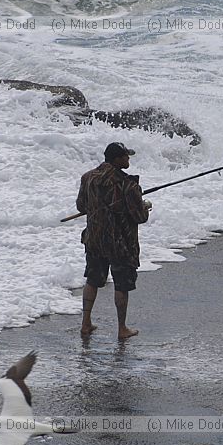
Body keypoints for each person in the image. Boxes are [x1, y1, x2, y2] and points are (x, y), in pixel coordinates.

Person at [76, 142, 152, 339]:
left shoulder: (88, 178)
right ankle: (122, 328)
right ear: (116, 159)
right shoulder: (128, 184)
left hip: (94, 239)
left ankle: (86, 323)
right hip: (121, 244)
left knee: (92, 280)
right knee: (121, 285)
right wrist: (145, 206)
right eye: (126, 157)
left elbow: (81, 206)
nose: (128, 160)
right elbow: (139, 217)